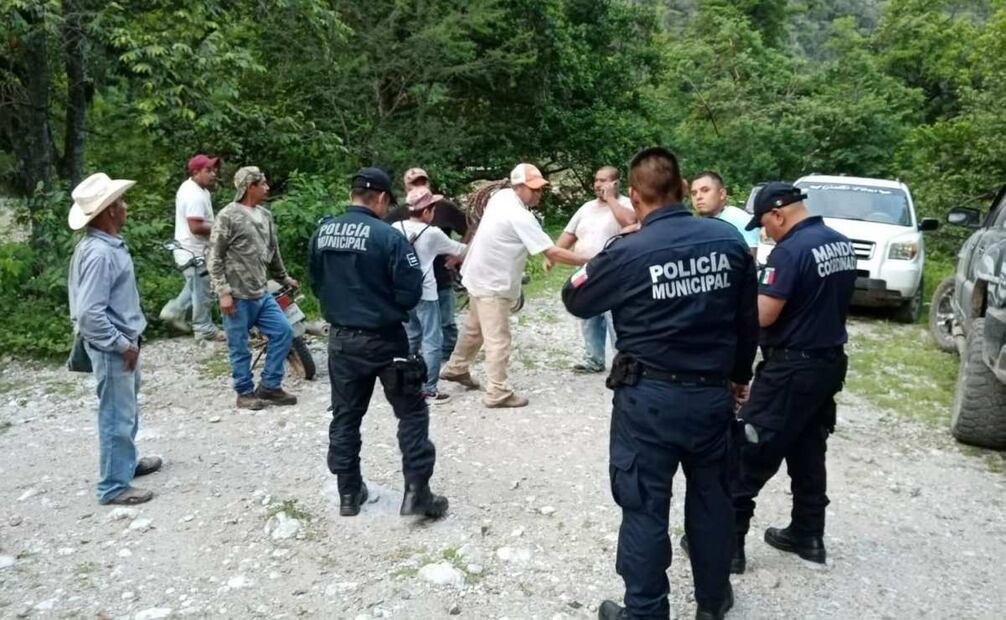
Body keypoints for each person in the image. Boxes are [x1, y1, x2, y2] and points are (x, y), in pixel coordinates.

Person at [562, 147, 758, 620]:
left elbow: (574, 297)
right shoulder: (728, 241)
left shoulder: (628, 251)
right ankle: (713, 604)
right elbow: (746, 320)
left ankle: (646, 611)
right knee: (712, 502)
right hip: (712, 396)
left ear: (634, 195)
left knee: (645, 505)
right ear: (681, 186)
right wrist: (738, 377)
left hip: (648, 399)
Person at [308, 166, 448, 519]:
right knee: (412, 412)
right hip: (386, 340)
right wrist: (385, 307)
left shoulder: (322, 233)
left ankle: (348, 493)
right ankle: (417, 492)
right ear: (383, 198)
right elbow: (411, 290)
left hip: (341, 341)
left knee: (345, 415)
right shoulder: (388, 237)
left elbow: (316, 281)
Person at [730, 182, 855, 570]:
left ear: (779, 214)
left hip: (790, 368)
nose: (764, 232)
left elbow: (764, 314)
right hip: (827, 363)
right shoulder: (840, 243)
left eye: (765, 223)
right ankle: (808, 533)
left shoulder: (790, 251)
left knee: (749, 450)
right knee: (807, 449)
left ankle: (727, 546)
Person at [440, 163, 587, 408]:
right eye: (533, 189)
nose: (538, 193)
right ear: (518, 187)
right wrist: (588, 260)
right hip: (493, 283)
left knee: (474, 329)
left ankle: (457, 367)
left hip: (478, 274)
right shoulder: (519, 215)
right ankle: (497, 391)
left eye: (540, 189)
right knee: (498, 339)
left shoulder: (502, 197)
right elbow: (551, 251)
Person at [68, 173, 162, 505]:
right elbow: (90, 312)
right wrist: (122, 344)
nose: (125, 206)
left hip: (121, 342)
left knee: (125, 409)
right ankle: (113, 486)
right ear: (109, 211)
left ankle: (124, 465)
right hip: (114, 347)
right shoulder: (100, 253)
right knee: (115, 414)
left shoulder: (100, 247)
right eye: (120, 202)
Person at [207, 166, 298, 410]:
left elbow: (273, 250)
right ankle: (244, 392)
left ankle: (270, 385)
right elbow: (214, 256)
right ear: (250, 186)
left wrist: (283, 277)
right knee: (240, 346)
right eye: (263, 183)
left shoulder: (265, 215)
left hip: (261, 291)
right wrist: (223, 292)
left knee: (283, 332)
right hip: (236, 294)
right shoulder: (228, 215)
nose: (267, 187)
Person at [554, 166, 636, 372]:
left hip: (614, 271)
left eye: (604, 180)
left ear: (616, 183)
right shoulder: (586, 208)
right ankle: (593, 359)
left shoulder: (626, 204)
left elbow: (631, 222)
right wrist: (553, 254)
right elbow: (569, 234)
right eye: (596, 180)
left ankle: (622, 361)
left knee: (614, 317)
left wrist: (611, 199)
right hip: (587, 270)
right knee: (588, 315)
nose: (598, 185)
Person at [392, 186, 467, 403]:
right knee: (433, 339)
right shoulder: (432, 233)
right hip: (426, 292)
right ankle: (430, 388)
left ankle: (404, 381)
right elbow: (461, 251)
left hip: (403, 293)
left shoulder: (396, 227)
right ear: (426, 211)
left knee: (410, 336)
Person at [387, 168, 470, 361]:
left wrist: (457, 256)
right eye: (413, 183)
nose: (418, 187)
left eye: (422, 182)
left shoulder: (445, 207)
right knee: (413, 326)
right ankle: (414, 361)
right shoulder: (399, 214)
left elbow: (471, 226)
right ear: (405, 187)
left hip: (441, 275)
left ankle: (449, 355)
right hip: (409, 281)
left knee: (447, 321)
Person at [690, 171, 760, 256]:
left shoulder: (739, 219)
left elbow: (750, 261)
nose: (698, 197)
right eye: (694, 193)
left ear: (722, 193)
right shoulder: (695, 225)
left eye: (705, 190)